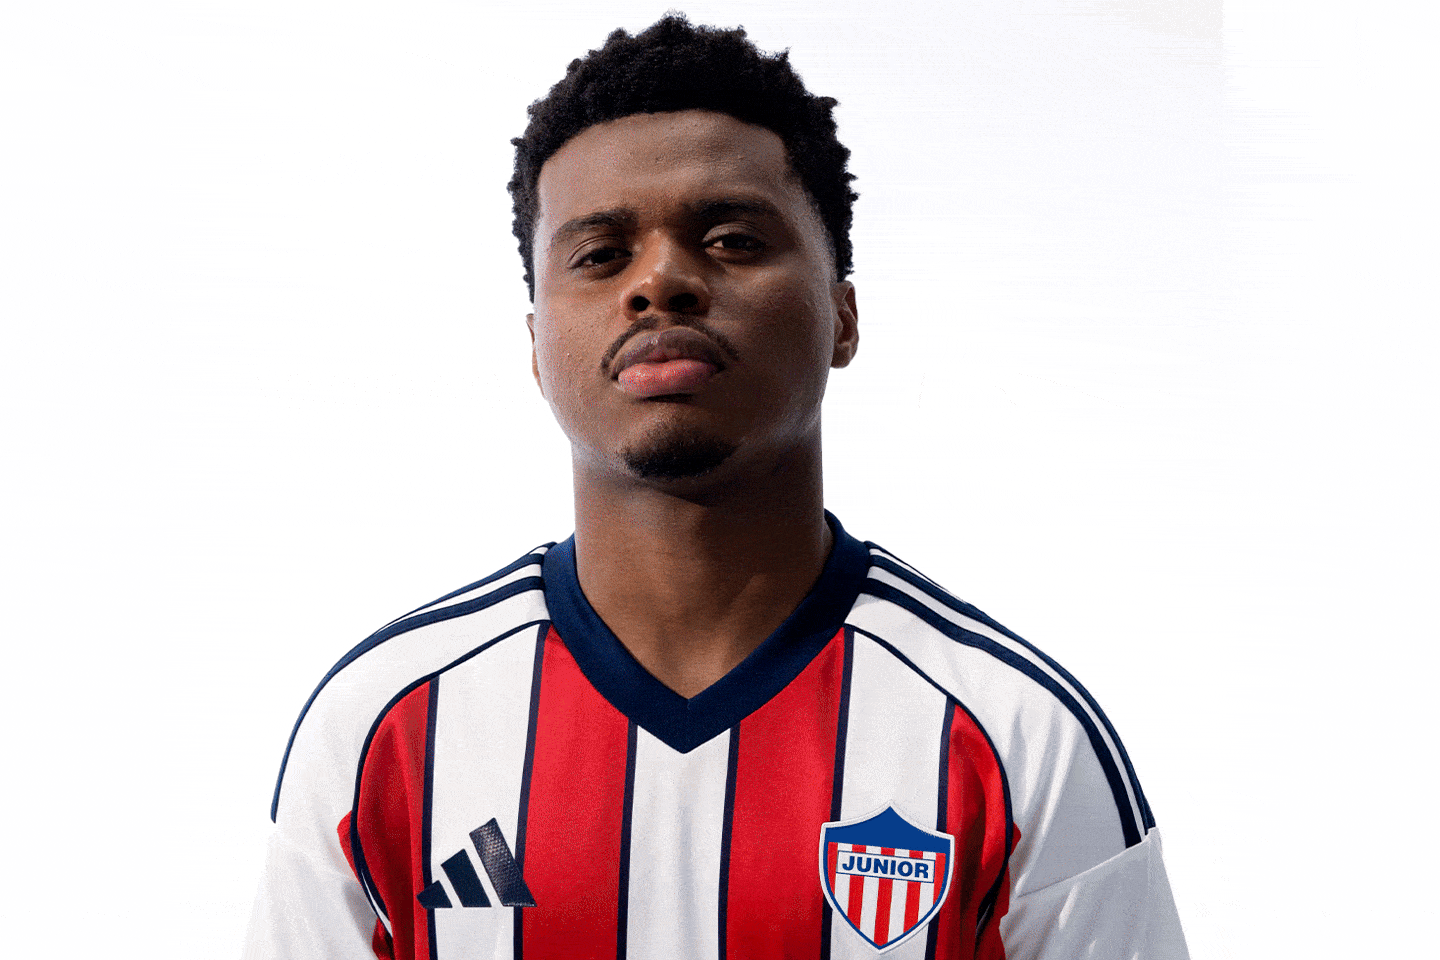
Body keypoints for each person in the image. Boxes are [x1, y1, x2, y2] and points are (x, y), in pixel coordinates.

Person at [244, 14, 1188, 960]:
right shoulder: (387, 730)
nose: (660, 282)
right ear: (536, 342)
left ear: (843, 315)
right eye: (599, 255)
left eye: (731, 239)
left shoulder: (1017, 738)